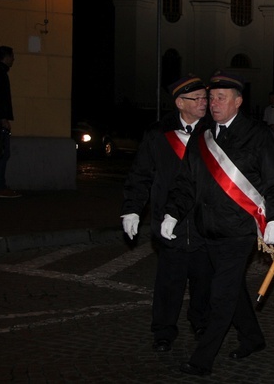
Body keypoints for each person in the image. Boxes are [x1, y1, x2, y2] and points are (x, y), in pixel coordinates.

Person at [162, 71, 274, 376]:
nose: (213, 103)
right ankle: (252, 337)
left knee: (220, 295)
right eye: (211, 97)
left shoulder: (259, 134)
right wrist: (172, 212)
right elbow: (185, 181)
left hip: (238, 231)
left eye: (221, 98)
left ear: (238, 101)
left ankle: (202, 359)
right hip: (206, 228)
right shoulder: (202, 134)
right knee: (230, 289)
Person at [120, 74, 212, 353]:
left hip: (205, 221)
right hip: (168, 222)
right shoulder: (158, 134)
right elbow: (140, 175)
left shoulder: (215, 131)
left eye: (205, 98)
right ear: (179, 103)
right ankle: (163, 330)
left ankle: (202, 323)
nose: (204, 103)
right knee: (169, 281)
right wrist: (132, 210)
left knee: (204, 278)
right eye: (196, 99)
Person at [0, 45, 20, 198]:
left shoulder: (0, 72)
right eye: (12, 56)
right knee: (2, 152)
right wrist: (3, 118)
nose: (13, 59)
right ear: (6, 57)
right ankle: (0, 186)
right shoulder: (0, 73)